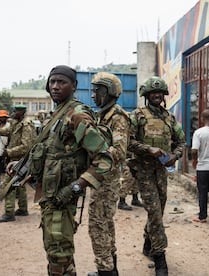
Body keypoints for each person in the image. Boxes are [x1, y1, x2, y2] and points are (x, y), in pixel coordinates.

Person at [30, 65, 113, 275]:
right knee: (56, 251)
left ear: (74, 86)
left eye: (62, 82)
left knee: (59, 254)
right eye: (52, 82)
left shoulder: (76, 115)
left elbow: (105, 160)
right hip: (50, 196)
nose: (56, 86)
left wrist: (75, 187)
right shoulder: (55, 115)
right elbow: (52, 154)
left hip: (63, 197)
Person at [128, 77, 185, 276]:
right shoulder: (137, 116)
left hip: (161, 171)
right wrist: (148, 149)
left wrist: (174, 156)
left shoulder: (169, 118)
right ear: (146, 95)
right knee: (154, 211)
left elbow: (181, 142)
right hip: (143, 171)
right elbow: (128, 142)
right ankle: (159, 255)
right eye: (153, 93)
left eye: (159, 93)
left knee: (158, 209)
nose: (157, 95)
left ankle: (147, 241)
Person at [87, 72, 130, 276]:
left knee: (97, 225)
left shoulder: (117, 117)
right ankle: (110, 268)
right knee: (105, 225)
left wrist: (95, 152)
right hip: (100, 179)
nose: (94, 95)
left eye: (98, 91)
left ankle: (105, 271)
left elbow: (119, 152)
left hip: (107, 181)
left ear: (109, 92)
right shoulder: (102, 115)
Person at [0, 105, 33, 222]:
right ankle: (23, 209)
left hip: (19, 160)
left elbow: (26, 146)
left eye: (15, 111)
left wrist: (9, 152)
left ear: (21, 112)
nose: (13, 112)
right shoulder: (16, 123)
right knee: (20, 185)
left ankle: (9, 213)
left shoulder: (26, 125)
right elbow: (3, 131)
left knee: (8, 185)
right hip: (15, 160)